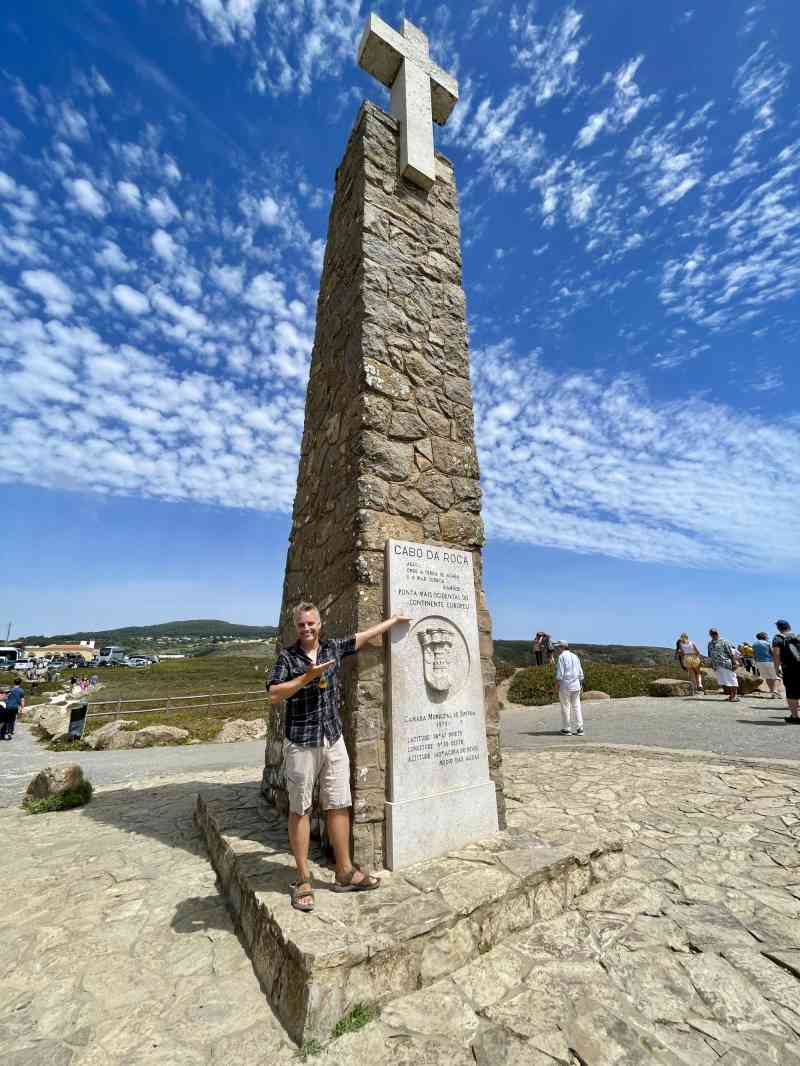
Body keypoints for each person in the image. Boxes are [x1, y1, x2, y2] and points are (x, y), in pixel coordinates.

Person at [267, 602, 410, 913]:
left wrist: (393, 621)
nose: (307, 629)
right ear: (296, 627)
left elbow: (362, 637)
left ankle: (344, 871)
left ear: (320, 624)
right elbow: (275, 694)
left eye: (311, 623)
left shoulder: (332, 647)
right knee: (300, 808)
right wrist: (307, 677)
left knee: (338, 803)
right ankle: (303, 878)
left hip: (333, 739)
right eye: (302, 625)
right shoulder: (288, 658)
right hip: (301, 743)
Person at [554, 641, 584, 736]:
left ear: (562, 647)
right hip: (576, 685)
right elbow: (581, 673)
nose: (557, 649)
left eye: (558, 647)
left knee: (566, 707)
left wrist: (556, 685)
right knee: (577, 706)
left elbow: (560, 674)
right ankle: (580, 728)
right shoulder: (575, 656)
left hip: (565, 686)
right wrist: (581, 684)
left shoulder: (561, 657)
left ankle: (567, 729)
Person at [772, 620, 800, 724]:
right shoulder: (797, 637)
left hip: (790, 668)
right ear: (789, 626)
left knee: (791, 691)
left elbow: (776, 654)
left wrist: (776, 668)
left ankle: (795, 717)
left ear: (778, 628)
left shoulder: (778, 638)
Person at [707, 629, 739, 702]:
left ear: (718, 633)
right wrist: (711, 663)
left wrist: (734, 663)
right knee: (725, 681)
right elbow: (710, 654)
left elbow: (730, 653)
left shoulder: (724, 641)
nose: (714, 634)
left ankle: (734, 696)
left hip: (725, 663)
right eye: (712, 633)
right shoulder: (710, 643)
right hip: (717, 665)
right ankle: (731, 695)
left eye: (715, 633)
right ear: (710, 634)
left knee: (731, 679)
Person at [753, 631, 781, 699]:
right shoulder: (767, 643)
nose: (767, 637)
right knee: (777, 677)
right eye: (766, 635)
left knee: (767, 677)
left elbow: (754, 654)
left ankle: (773, 693)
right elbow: (772, 652)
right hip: (769, 661)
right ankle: (775, 691)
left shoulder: (754, 644)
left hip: (759, 662)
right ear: (764, 637)